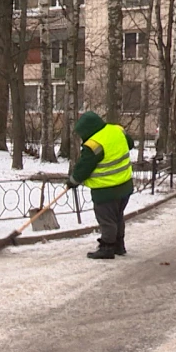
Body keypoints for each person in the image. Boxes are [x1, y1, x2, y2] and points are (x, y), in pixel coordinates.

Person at [66, 111, 135, 260]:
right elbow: (130, 144)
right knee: (117, 217)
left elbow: (84, 167)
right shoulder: (117, 129)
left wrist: (73, 180)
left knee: (107, 220)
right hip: (125, 185)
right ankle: (119, 245)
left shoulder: (94, 144)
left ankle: (107, 248)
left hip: (106, 190)